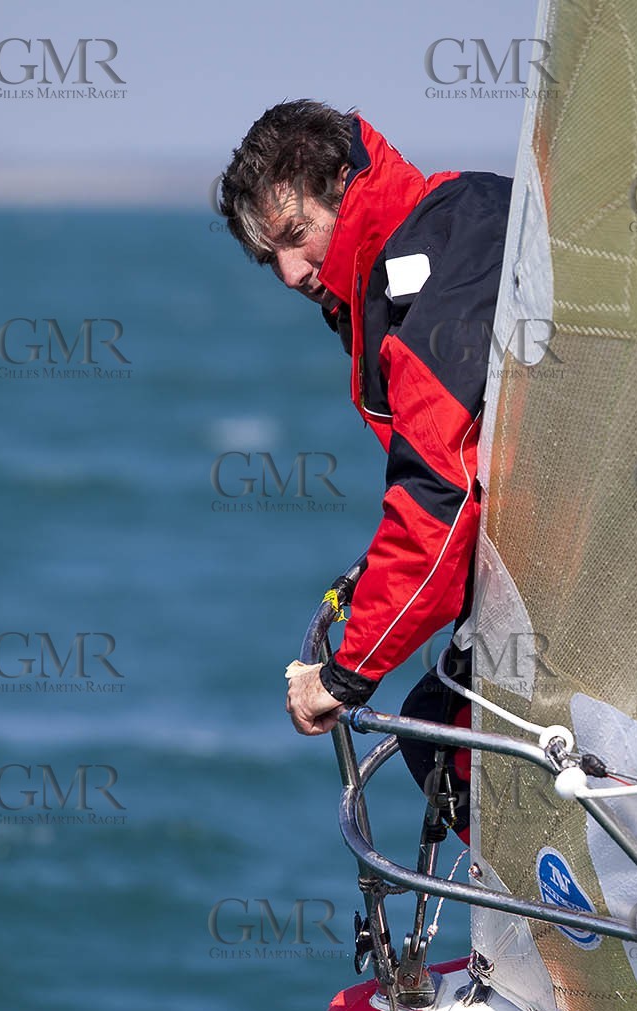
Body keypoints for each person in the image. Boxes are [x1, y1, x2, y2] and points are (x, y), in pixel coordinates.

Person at [219, 100, 511, 833]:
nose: (289, 272)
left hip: (615, 574)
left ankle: (583, 935)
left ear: (344, 186)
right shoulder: (455, 212)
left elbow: (442, 492)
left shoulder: (431, 273)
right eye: (269, 258)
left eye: (295, 236)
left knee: (448, 736)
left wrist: (349, 672)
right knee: (440, 718)